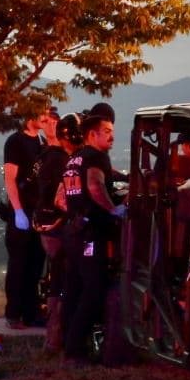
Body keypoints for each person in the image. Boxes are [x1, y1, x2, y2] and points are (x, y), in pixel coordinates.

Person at [60, 112, 125, 365]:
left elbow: (65, 197)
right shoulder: (97, 157)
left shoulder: (74, 158)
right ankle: (76, 350)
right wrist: (114, 210)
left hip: (73, 231)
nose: (112, 135)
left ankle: (68, 346)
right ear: (92, 134)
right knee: (94, 291)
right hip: (91, 234)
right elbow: (95, 186)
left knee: (73, 290)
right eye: (106, 131)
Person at [34, 112, 82, 352]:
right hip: (57, 228)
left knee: (57, 280)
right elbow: (62, 200)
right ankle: (56, 337)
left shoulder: (49, 156)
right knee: (63, 281)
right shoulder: (63, 160)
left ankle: (54, 337)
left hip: (47, 226)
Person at [2, 105, 50, 329]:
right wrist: (18, 210)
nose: (45, 116)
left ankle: (32, 313)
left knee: (35, 265)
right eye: (41, 111)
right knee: (18, 265)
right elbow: (10, 178)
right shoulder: (15, 141)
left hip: (37, 213)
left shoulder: (41, 142)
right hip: (21, 212)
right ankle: (13, 313)